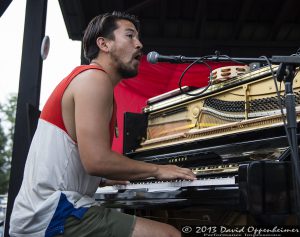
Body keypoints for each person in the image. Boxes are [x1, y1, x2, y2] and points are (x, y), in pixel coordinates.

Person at [9, 11, 196, 237]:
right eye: (130, 36)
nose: (139, 45)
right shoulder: (94, 79)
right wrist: (157, 170)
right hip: (51, 214)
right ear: (104, 44)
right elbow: (96, 160)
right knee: (170, 235)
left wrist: (104, 179)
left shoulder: (89, 80)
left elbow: (75, 160)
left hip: (46, 211)